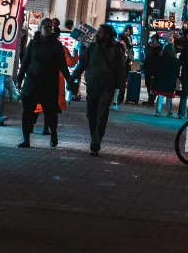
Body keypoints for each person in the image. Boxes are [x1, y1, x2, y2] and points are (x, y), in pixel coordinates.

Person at [69, 24, 124, 155]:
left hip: (107, 87)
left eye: (100, 32)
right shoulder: (92, 48)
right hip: (92, 86)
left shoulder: (116, 50)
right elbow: (82, 64)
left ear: (107, 35)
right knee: (91, 114)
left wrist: (122, 90)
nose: (97, 34)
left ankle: (96, 141)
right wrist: (72, 78)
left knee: (102, 114)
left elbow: (121, 71)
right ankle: (95, 137)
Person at [17, 17, 69, 147]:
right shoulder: (34, 43)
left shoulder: (57, 45)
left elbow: (62, 64)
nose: (49, 29)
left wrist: (70, 80)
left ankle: (53, 133)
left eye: (50, 27)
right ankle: (26, 139)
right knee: (28, 111)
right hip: (32, 81)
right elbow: (25, 62)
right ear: (40, 28)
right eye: (46, 27)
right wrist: (19, 79)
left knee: (50, 111)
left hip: (49, 83)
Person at [153, 38, 180, 117]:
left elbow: (156, 69)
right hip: (170, 80)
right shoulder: (175, 60)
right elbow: (177, 71)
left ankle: (158, 111)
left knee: (160, 95)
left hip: (161, 79)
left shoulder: (160, 59)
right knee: (169, 97)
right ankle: (169, 111)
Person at [113, 29, 133, 109]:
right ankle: (116, 100)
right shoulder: (124, 44)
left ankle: (116, 100)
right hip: (122, 66)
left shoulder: (120, 44)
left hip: (119, 66)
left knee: (117, 84)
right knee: (120, 83)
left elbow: (124, 56)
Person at [143, 33, 163, 106]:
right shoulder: (151, 48)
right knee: (148, 84)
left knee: (152, 85)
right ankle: (150, 99)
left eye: (153, 40)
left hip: (154, 70)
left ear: (157, 41)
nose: (152, 42)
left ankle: (151, 99)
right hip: (148, 69)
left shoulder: (159, 49)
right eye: (152, 40)